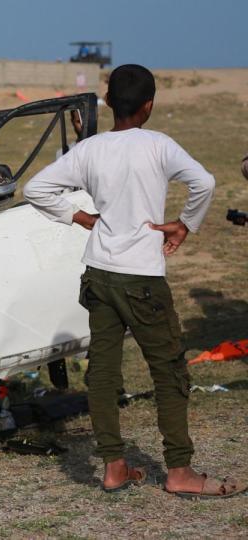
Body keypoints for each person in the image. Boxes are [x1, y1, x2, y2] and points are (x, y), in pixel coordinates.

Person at [24, 65, 243, 498]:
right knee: (169, 370)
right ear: (150, 106)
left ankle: (114, 466)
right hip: (142, 279)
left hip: (99, 275)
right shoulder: (159, 145)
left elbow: (37, 188)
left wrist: (82, 217)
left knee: (103, 372)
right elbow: (205, 181)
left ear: (107, 103)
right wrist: (184, 224)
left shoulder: (91, 150)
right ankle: (179, 471)